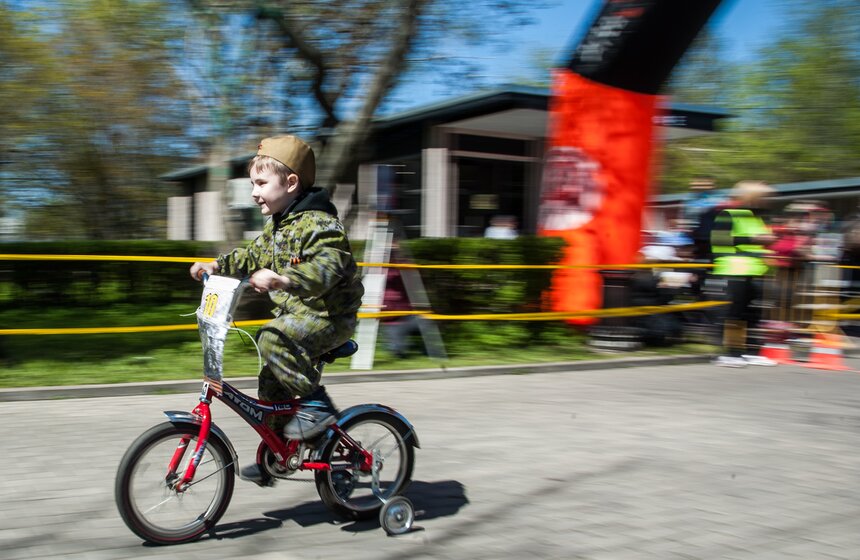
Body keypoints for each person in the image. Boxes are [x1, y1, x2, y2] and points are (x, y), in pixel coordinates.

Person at [189, 135, 364, 484]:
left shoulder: (320, 224)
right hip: (299, 317)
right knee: (270, 385)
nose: (254, 192)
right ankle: (283, 450)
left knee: (271, 338)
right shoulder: (278, 225)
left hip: (328, 318)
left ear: (291, 183)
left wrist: (284, 279)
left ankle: (317, 406)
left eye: (260, 183)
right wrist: (217, 265)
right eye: (253, 183)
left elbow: (328, 268)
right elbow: (250, 256)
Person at [710, 180, 776, 367]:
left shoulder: (757, 218)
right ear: (752, 198)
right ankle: (732, 352)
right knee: (735, 313)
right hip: (734, 270)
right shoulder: (729, 214)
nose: (768, 201)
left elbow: (759, 243)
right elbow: (720, 241)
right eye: (764, 197)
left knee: (753, 313)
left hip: (755, 270)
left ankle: (752, 350)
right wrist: (755, 239)